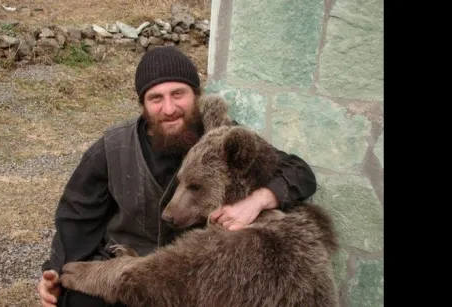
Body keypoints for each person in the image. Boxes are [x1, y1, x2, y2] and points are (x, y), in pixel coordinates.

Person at [37, 46, 317, 307]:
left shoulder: (221, 140)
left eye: (178, 94)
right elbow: (77, 215)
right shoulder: (113, 148)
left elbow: (297, 171)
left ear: (195, 94)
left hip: (188, 277)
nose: (169, 108)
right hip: (126, 260)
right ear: (143, 105)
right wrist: (53, 271)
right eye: (156, 98)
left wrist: (256, 200)